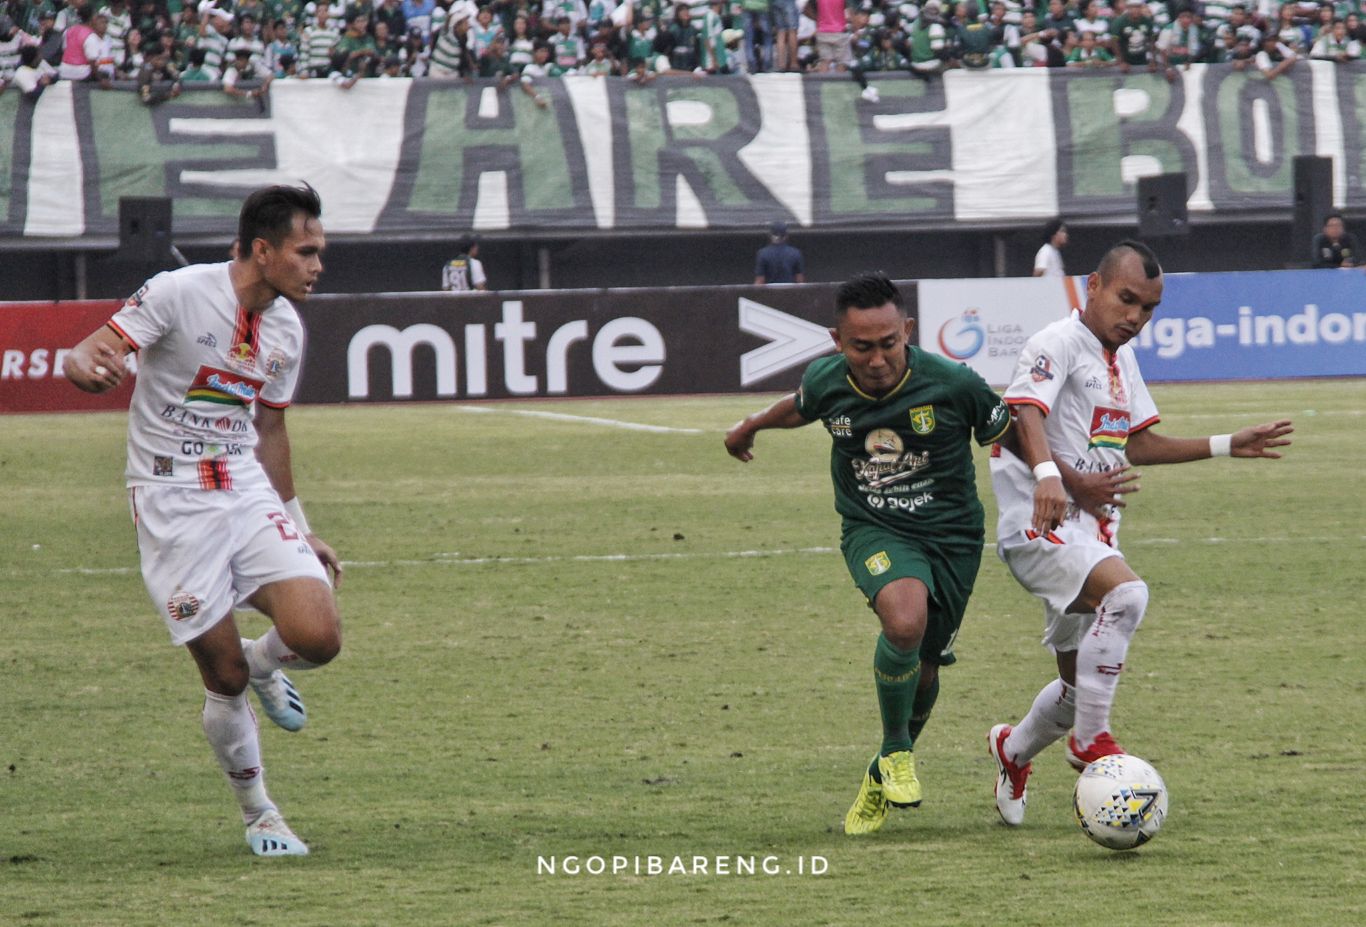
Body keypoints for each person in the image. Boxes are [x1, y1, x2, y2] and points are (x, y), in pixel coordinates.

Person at [61, 184, 344, 857]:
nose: (317, 265)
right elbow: (92, 349)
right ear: (262, 249)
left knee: (319, 632)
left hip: (242, 486)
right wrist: (83, 366)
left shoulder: (284, 330)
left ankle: (266, 661)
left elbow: (270, 427)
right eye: (306, 252)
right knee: (223, 677)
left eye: (319, 253)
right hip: (171, 500)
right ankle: (261, 812)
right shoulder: (180, 291)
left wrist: (297, 523)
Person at [985, 240, 1293, 827]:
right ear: (1093, 286)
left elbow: (1139, 444)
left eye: (1148, 308)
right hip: (1042, 524)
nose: (1135, 318)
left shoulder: (1120, 359)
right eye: (1127, 300)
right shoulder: (1056, 343)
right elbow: (1023, 412)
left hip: (1093, 535)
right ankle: (1091, 741)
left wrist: (1228, 444)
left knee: (1075, 688)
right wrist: (1057, 477)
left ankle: (1013, 749)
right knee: (1126, 596)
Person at [725, 273, 1013, 835]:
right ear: (838, 342)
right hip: (874, 526)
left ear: (907, 331)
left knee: (926, 667)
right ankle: (895, 750)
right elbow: (802, 405)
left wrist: (1053, 478)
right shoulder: (828, 381)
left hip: (953, 537)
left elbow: (1009, 426)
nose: (877, 358)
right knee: (904, 622)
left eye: (888, 343)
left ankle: (879, 776)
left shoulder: (953, 383)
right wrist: (752, 425)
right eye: (862, 346)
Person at [753, 220, 805, 284]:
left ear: (770, 235)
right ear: (786, 236)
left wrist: (755, 293)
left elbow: (760, 281)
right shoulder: (795, 253)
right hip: (790, 292)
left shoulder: (762, 254)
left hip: (770, 292)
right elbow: (800, 281)